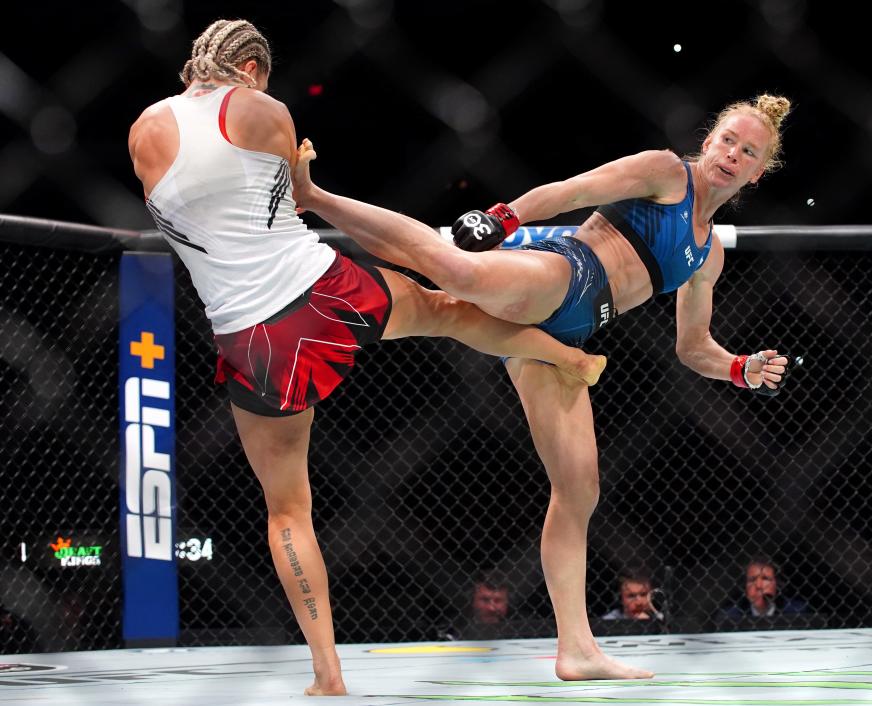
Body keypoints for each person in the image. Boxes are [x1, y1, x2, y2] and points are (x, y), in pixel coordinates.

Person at [127, 19, 606, 696]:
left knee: (287, 510)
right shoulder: (263, 109)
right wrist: (297, 169)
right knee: (446, 311)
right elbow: (294, 198)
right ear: (254, 67)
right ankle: (565, 355)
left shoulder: (143, 130)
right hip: (318, 290)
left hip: (249, 337)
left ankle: (327, 673)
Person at [293, 93, 799, 680]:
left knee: (579, 488)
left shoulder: (708, 254)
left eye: (749, 151)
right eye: (728, 141)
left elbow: (692, 347)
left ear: (759, 170)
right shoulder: (665, 172)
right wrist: (504, 218)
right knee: (454, 271)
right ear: (708, 140)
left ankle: (577, 648)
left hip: (573, 336)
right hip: (566, 274)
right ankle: (315, 199)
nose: (733, 155)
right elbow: (574, 190)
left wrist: (740, 367)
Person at [715, 557, 809, 627]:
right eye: (752, 580)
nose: (758, 586)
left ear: (777, 584)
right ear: (745, 586)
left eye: (765, 579)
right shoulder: (731, 616)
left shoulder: (796, 611)